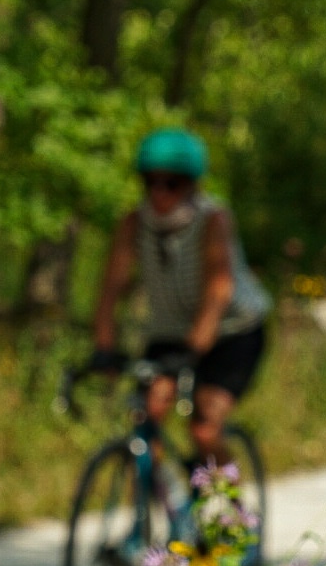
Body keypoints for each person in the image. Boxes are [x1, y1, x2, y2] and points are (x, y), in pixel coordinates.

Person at [92, 128, 271, 466]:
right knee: (146, 417)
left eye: (171, 183)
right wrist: (104, 347)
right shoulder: (134, 223)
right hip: (171, 331)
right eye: (151, 182)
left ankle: (227, 503)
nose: (159, 192)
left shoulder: (212, 219)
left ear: (191, 184)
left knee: (204, 426)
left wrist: (194, 348)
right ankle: (154, 505)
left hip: (233, 331)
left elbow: (219, 290)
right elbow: (110, 288)